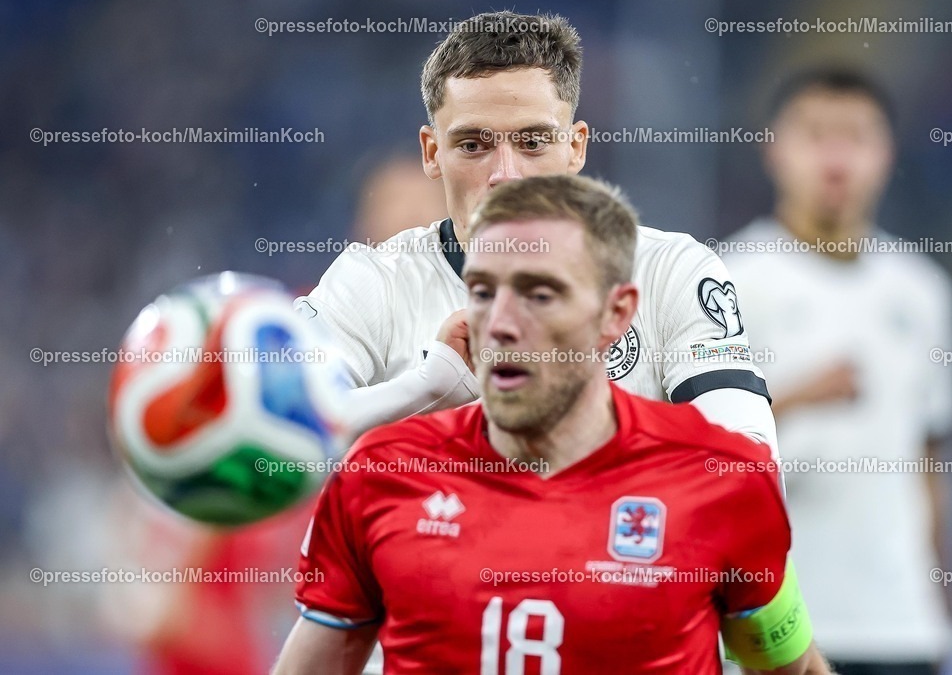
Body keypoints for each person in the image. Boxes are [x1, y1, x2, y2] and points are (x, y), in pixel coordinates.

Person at [274, 174, 831, 674]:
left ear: (616, 314)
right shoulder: (381, 476)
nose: (502, 324)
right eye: (485, 292)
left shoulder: (719, 481)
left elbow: (792, 669)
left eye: (540, 294)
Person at [296, 10, 777, 457]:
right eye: (472, 144)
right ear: (431, 153)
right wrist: (427, 388)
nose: (506, 174)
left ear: (576, 147)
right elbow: (283, 441)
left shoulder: (668, 271)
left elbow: (747, 464)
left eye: (532, 142)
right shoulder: (372, 284)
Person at [722, 69, 952, 675]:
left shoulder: (922, 289)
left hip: (904, 628)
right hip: (779, 628)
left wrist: (938, 608)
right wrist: (794, 398)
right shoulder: (726, 281)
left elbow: (925, 462)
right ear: (773, 148)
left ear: (886, 154)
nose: (836, 156)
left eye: (856, 136)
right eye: (815, 134)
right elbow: (694, 452)